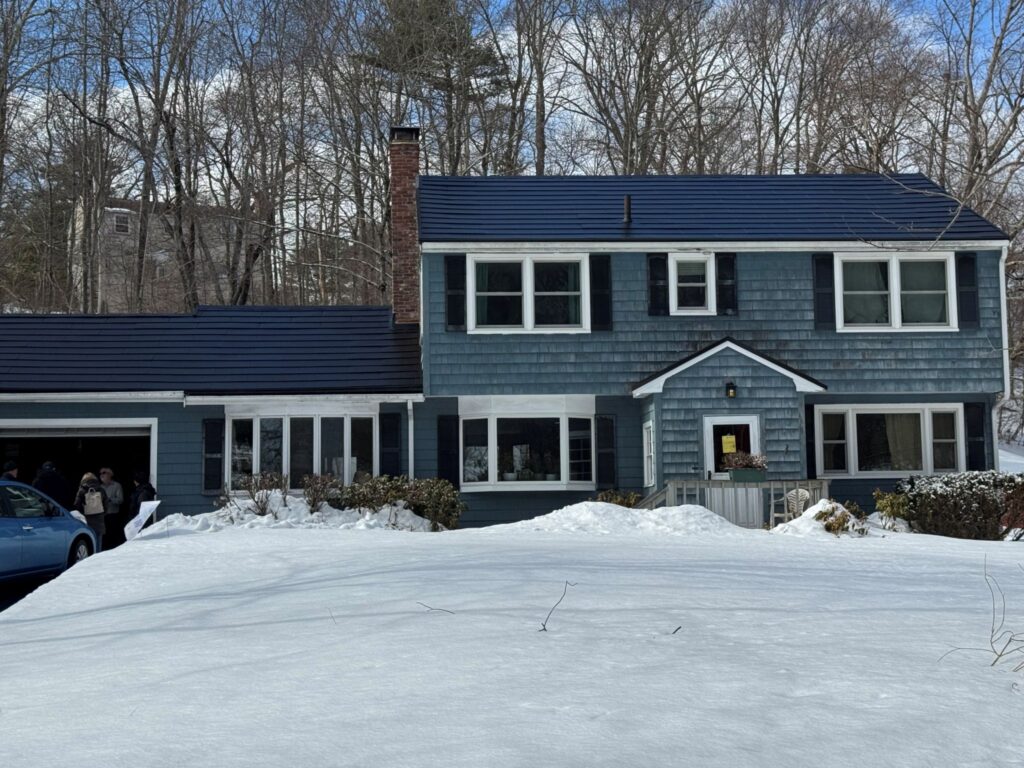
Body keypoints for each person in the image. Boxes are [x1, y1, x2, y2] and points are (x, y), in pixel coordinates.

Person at [73, 472, 109, 552]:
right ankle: (97, 559)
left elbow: (77, 505)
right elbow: (106, 505)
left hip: (87, 520)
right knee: (98, 542)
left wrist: (82, 515)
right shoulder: (101, 489)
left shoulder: (81, 490)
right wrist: (102, 514)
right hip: (99, 520)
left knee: (88, 542)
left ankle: (89, 561)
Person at [99, 467, 124, 548]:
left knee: (112, 535)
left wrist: (109, 500)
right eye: (100, 473)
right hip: (102, 515)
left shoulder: (116, 485)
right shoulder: (99, 487)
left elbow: (120, 500)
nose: (101, 475)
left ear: (110, 475)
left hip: (113, 514)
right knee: (103, 535)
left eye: (104, 473)